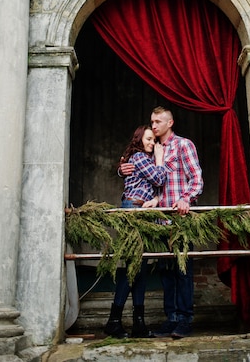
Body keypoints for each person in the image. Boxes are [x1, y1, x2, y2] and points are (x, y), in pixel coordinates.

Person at [120, 106, 203, 339]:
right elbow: (145, 177)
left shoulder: (183, 145)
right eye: (151, 122)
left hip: (180, 218)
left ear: (170, 123)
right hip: (158, 219)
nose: (154, 126)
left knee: (183, 269)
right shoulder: (152, 150)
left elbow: (196, 177)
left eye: (158, 122)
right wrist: (121, 169)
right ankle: (172, 318)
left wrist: (187, 198)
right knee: (166, 270)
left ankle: (185, 319)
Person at [104, 125, 166, 339]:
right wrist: (159, 158)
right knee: (133, 266)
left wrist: (156, 199)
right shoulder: (140, 157)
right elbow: (159, 179)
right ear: (139, 139)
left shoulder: (141, 160)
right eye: (148, 139)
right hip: (133, 210)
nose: (151, 143)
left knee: (141, 267)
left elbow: (156, 188)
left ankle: (139, 323)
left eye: (153, 140)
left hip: (144, 211)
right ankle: (113, 321)